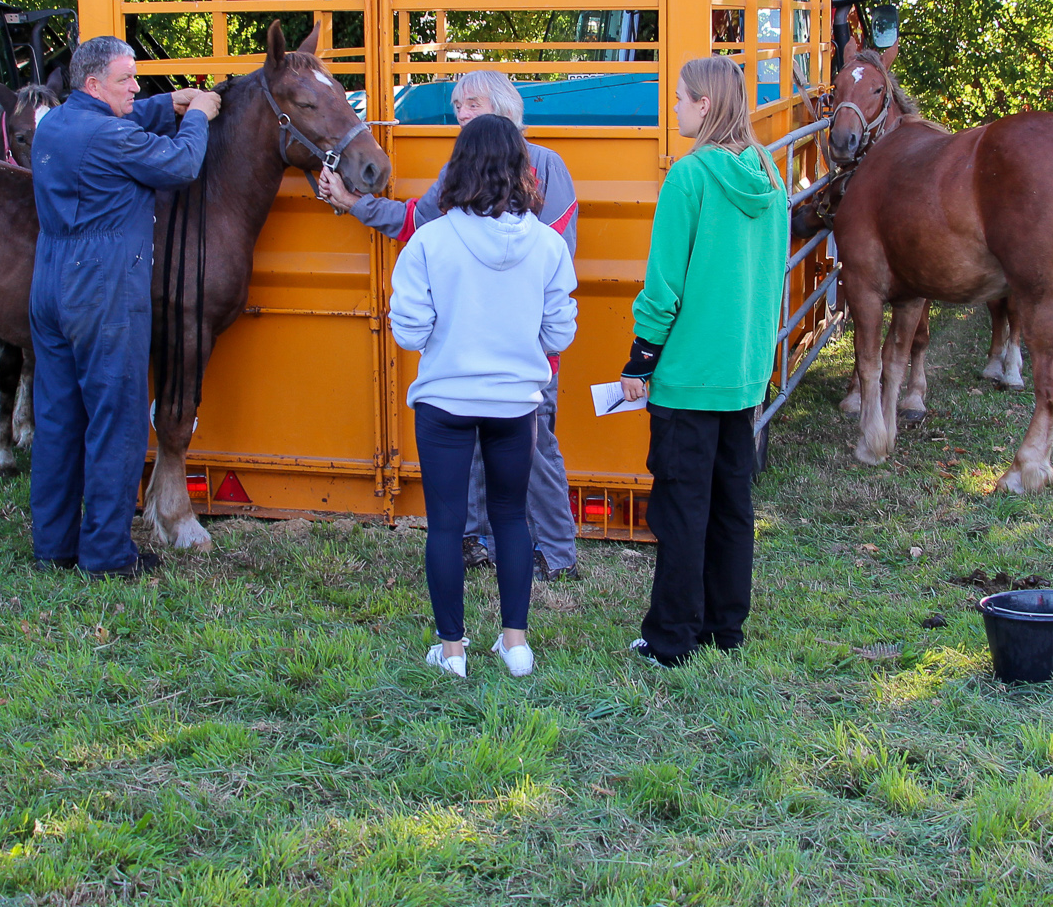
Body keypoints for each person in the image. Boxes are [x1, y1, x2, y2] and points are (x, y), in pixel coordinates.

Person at [319, 69, 584, 579]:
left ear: (505, 106)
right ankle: (479, 541)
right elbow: (418, 222)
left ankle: (556, 553)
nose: (462, 112)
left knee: (536, 448)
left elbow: (552, 257)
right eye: (457, 104)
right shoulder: (461, 169)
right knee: (483, 450)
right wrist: (355, 204)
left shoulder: (547, 166)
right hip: (495, 347)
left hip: (523, 353)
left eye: (472, 102)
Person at [389, 115, 578, 678]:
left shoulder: (430, 240)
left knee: (446, 525)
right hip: (516, 405)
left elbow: (410, 332)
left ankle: (452, 653)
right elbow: (560, 334)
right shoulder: (546, 244)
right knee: (512, 519)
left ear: (459, 167)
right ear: (523, 169)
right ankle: (516, 645)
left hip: (444, 402)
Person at [29, 36, 221, 578]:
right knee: (118, 421)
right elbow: (182, 164)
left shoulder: (56, 126)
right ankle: (108, 554)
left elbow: (116, 121)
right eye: (127, 79)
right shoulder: (111, 137)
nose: (137, 87)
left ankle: (54, 546)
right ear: (94, 84)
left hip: (50, 284)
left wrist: (169, 103)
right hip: (103, 291)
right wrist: (199, 115)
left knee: (59, 418)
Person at [618, 56, 788, 666]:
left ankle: (671, 639)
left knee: (680, 508)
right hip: (742, 373)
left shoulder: (688, 177)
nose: (675, 108)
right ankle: (724, 628)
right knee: (732, 505)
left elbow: (664, 287)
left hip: (687, 376)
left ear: (706, 106)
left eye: (681, 98)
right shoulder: (768, 174)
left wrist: (639, 361)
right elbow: (772, 281)